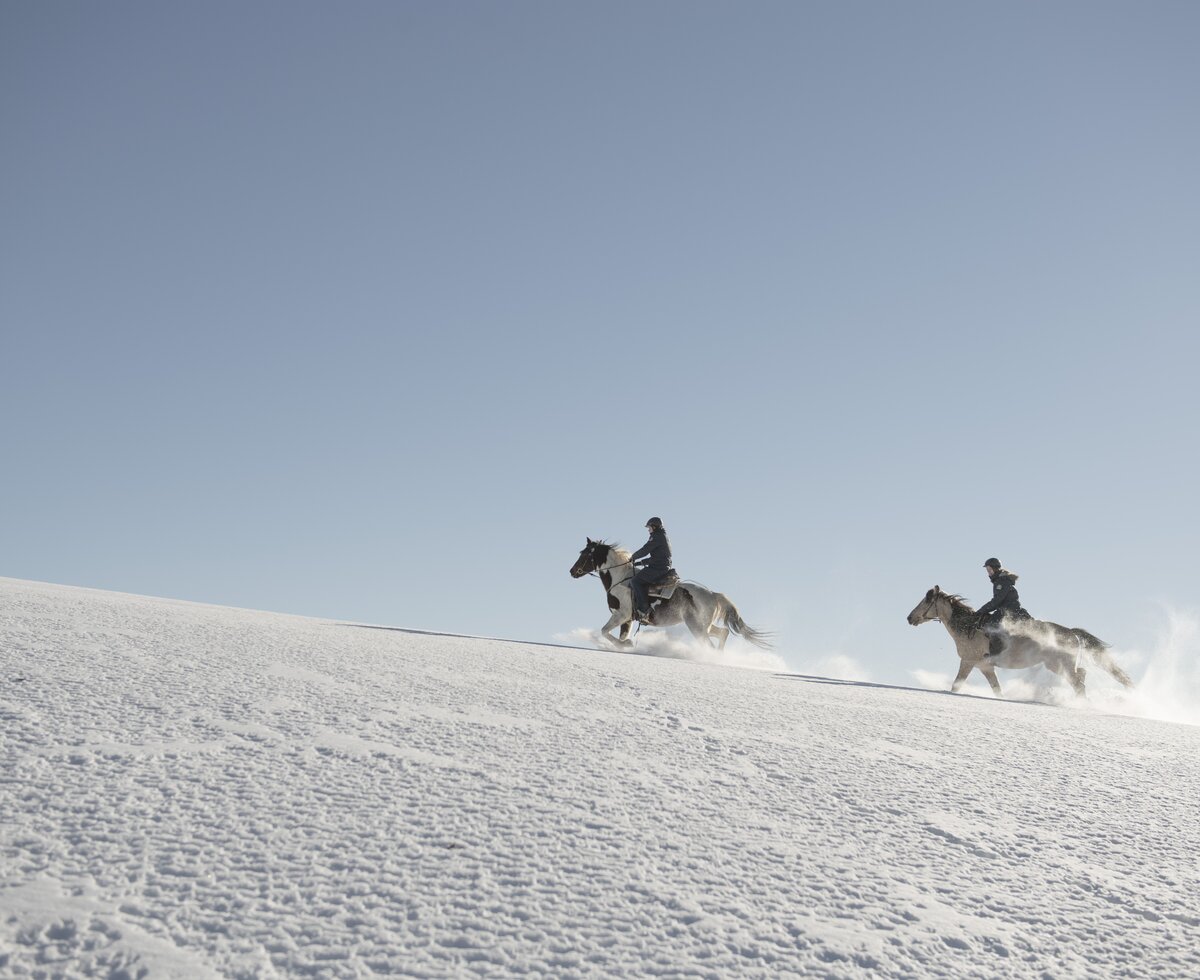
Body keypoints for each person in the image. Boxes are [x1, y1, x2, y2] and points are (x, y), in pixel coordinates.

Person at [977, 558, 1031, 657]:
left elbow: (997, 601)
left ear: (995, 569)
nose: (988, 573)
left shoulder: (1002, 582)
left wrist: (981, 611)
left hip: (1008, 610)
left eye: (989, 570)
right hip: (1008, 609)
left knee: (991, 625)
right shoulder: (1000, 581)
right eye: (987, 570)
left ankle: (996, 653)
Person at [630, 517, 673, 623]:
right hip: (660, 566)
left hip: (659, 568)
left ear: (654, 527)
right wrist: (639, 563)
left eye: (649, 527)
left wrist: (632, 557)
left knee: (635, 581)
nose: (648, 530)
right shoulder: (661, 536)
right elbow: (656, 558)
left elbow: (645, 550)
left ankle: (644, 611)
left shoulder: (657, 536)